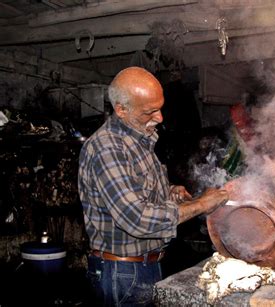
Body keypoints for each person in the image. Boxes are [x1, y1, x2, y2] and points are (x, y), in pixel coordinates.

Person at [77, 66, 228, 306]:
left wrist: (170, 192)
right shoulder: (108, 148)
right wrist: (201, 204)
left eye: (160, 108)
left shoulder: (139, 140)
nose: (160, 118)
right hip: (123, 273)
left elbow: (139, 190)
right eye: (150, 111)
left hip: (144, 266)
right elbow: (137, 218)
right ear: (121, 110)